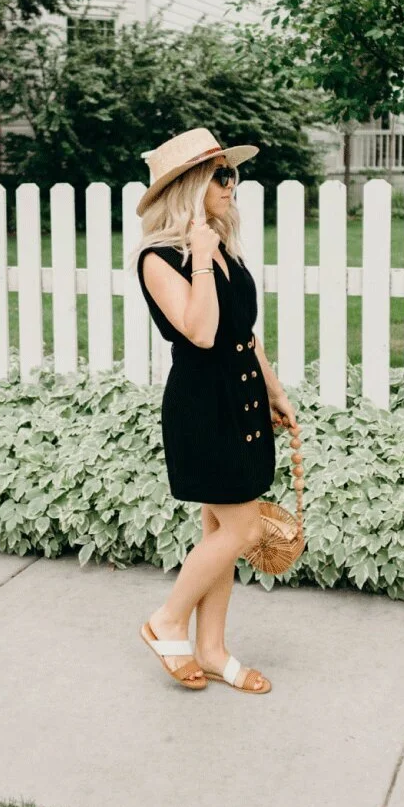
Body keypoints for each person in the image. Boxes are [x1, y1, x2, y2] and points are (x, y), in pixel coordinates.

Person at [130, 127, 299, 694]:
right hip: (204, 409)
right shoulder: (159, 259)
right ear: (189, 186)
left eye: (233, 174)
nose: (233, 184)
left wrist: (273, 390)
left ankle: (211, 648)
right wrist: (200, 259)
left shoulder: (224, 247)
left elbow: (242, 333)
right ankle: (167, 621)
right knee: (243, 528)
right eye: (221, 175)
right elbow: (200, 333)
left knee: (220, 528)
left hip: (243, 399)